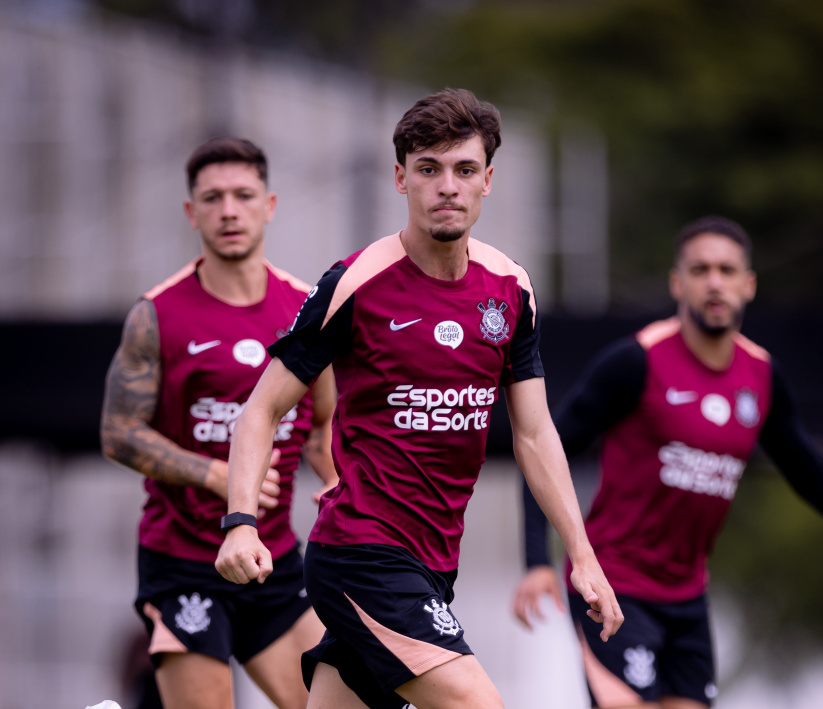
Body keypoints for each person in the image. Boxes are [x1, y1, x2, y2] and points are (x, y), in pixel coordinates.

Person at [214, 88, 624, 709]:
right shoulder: (354, 282)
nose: (447, 187)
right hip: (361, 554)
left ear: (488, 181)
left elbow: (535, 434)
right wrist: (241, 524)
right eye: (429, 169)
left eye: (464, 170)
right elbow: (261, 410)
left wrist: (581, 556)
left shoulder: (510, 288)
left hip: (434, 562)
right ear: (401, 178)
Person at [513, 215, 823, 709]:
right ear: (677, 283)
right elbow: (543, 452)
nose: (714, 282)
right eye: (700, 269)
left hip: (687, 597)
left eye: (727, 270)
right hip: (613, 582)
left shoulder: (762, 376)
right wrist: (537, 561)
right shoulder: (636, 361)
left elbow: (805, 467)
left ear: (748, 285)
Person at [101, 137, 339, 709]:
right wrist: (217, 475)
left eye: (243, 195)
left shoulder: (307, 311)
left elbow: (322, 425)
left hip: (274, 561)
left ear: (269, 205)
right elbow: (118, 431)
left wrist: (337, 486)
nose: (229, 210)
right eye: (212, 198)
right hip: (183, 563)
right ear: (192, 212)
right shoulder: (156, 314)